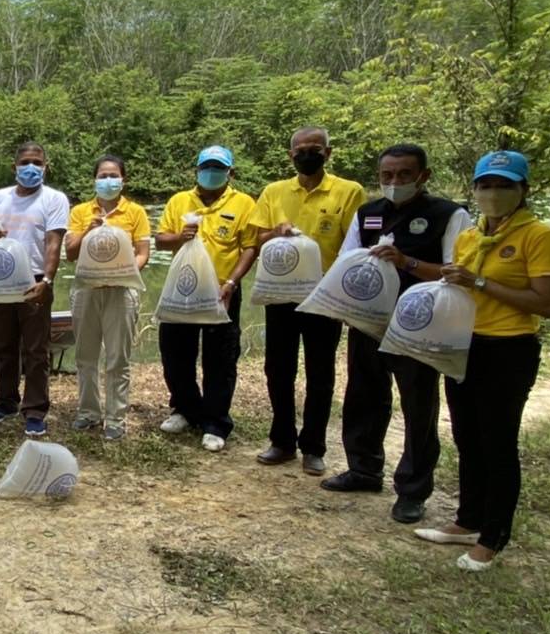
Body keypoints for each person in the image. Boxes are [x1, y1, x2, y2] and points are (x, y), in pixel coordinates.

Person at [417, 150, 550, 572]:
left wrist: (481, 281)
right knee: (466, 436)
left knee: (498, 443)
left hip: (508, 349)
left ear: (523, 190)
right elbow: (459, 284)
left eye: (504, 186)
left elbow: (546, 303)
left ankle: (493, 537)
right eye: (486, 185)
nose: (493, 194)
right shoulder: (469, 236)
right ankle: (467, 520)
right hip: (465, 345)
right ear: (475, 189)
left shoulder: (539, 236)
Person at [328, 144, 472, 522]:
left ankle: (412, 489)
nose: (394, 183)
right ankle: (363, 468)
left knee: (418, 405)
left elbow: (459, 273)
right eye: (387, 176)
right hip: (370, 321)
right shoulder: (368, 213)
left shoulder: (448, 215)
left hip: (421, 327)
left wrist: (407, 262)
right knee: (363, 395)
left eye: (404, 175)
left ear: (423, 176)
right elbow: (348, 260)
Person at [249, 127, 365, 474]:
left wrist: (348, 298)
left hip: (325, 297)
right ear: (291, 156)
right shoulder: (274, 192)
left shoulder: (349, 191)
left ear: (328, 153)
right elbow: (257, 238)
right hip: (281, 296)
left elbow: (356, 246)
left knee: (320, 372)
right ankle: (282, 440)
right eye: (300, 150)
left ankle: (313, 446)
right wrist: (277, 231)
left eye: (314, 149)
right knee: (278, 369)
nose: (306, 154)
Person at [154, 145, 258, 453]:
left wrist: (232, 282)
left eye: (218, 168)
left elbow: (250, 246)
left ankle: (215, 422)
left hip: (221, 292)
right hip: (182, 291)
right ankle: (185, 409)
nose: (211, 173)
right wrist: (179, 237)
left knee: (221, 358)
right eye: (206, 167)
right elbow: (160, 240)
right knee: (174, 354)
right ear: (196, 171)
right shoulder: (179, 201)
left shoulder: (243, 203)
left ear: (230, 173)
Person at [0, 141, 69, 438]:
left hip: (35, 280)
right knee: (3, 343)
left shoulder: (54, 199)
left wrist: (48, 281)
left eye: (37, 163)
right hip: (1, 279)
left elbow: (53, 242)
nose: (31, 167)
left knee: (36, 349)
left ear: (46, 166)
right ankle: (6, 400)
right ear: (14, 166)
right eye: (26, 162)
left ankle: (35, 409)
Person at [65, 154, 151, 441]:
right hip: (87, 290)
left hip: (121, 292)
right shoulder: (80, 211)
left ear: (123, 180)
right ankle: (88, 412)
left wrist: (123, 273)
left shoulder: (136, 212)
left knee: (117, 357)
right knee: (85, 355)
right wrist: (89, 229)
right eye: (102, 176)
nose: (108, 180)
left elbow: (143, 253)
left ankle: (116, 417)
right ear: (95, 180)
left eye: (113, 175)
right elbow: (71, 253)